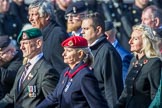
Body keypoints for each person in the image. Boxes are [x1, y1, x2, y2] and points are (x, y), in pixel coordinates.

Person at [36, 36, 109, 108]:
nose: (63, 54)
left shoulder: (85, 76)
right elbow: (54, 98)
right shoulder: (66, 72)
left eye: (68, 51)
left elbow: (98, 104)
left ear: (80, 54)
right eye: (64, 50)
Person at [0, 28, 59, 108]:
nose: (21, 48)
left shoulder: (47, 71)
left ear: (38, 43)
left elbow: (53, 102)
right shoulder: (23, 68)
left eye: (25, 43)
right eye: (20, 44)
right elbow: (12, 97)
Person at [81, 12, 123, 108]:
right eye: (82, 29)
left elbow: (112, 90)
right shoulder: (89, 50)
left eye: (86, 29)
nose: (82, 32)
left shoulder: (107, 52)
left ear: (98, 30)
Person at [115, 24, 162, 108]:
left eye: (135, 39)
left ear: (145, 42)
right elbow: (126, 91)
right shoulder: (134, 60)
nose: (130, 42)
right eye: (131, 38)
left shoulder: (154, 63)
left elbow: (156, 96)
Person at [28, 0, 68, 73]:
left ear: (47, 16)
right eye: (30, 15)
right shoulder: (41, 35)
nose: (30, 19)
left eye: (34, 14)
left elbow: (62, 68)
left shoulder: (57, 34)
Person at [0, 36, 23, 100]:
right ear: (0, 55)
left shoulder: (19, 56)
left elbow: (11, 75)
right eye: (9, 50)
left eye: (13, 46)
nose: (14, 50)